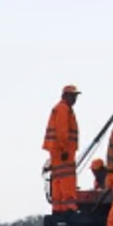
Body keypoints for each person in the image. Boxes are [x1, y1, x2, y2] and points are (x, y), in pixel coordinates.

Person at [43, 85, 81, 215]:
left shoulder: (61, 108)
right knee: (67, 178)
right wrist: (65, 148)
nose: (75, 99)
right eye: (73, 96)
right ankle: (68, 206)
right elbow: (62, 131)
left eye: (75, 96)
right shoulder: (63, 109)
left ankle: (58, 207)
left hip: (57, 150)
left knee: (58, 178)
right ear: (65, 96)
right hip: (63, 150)